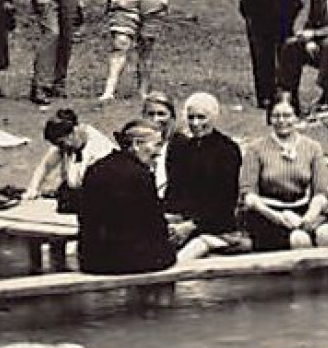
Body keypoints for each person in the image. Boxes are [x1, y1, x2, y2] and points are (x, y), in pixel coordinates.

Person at [239, 92, 328, 251]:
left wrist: (307, 219)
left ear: (297, 117)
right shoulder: (255, 149)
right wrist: (278, 217)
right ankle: (303, 276)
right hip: (268, 214)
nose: (281, 121)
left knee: (327, 234)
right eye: (276, 116)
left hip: (304, 210)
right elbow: (249, 196)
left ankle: (326, 276)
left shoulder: (312, 147)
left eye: (287, 116)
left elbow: (321, 192)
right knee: (299, 239)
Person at [76, 118, 178, 276]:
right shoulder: (141, 175)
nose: (159, 152)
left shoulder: (94, 169)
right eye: (156, 145)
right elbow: (155, 225)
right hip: (130, 262)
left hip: (92, 261)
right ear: (136, 144)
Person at [164, 92, 246, 262]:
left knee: (185, 256)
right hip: (182, 222)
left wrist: (192, 225)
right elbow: (174, 191)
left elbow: (225, 200)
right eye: (191, 117)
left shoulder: (227, 150)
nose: (195, 123)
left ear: (213, 117)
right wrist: (171, 217)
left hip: (217, 226)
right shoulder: (181, 148)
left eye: (201, 117)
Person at [21, 108, 115, 212]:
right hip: (75, 189)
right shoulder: (68, 141)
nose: (62, 147)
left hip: (97, 193)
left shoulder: (99, 150)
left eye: (61, 143)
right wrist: (33, 188)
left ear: (73, 132)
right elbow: (46, 165)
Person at [139, 90, 182, 203]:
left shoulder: (182, 147)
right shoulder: (135, 146)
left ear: (172, 117)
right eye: (151, 114)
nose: (155, 119)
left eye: (161, 114)